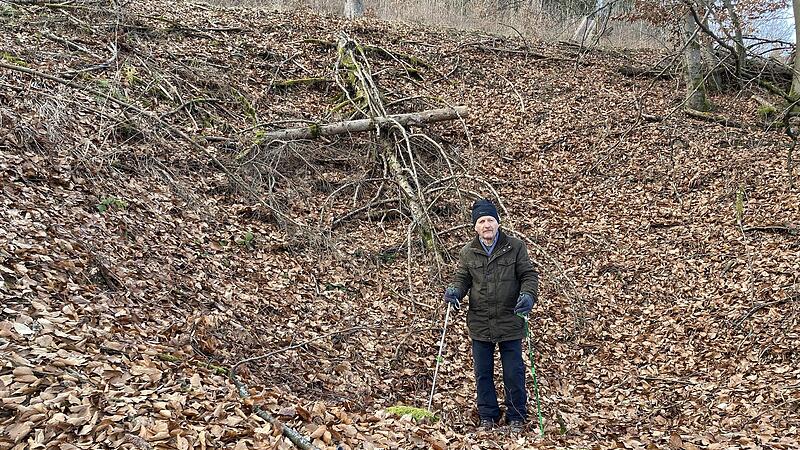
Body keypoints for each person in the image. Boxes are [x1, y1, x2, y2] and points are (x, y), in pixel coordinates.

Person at [443, 198, 539, 433]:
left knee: (513, 371)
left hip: (511, 318)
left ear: (498, 223)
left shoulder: (515, 246)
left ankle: (516, 416)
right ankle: (488, 415)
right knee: (482, 373)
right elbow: (462, 279)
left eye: (491, 220)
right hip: (480, 320)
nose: (487, 225)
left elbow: (529, 275)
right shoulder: (468, 252)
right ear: (475, 227)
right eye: (482, 221)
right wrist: (455, 291)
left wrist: (528, 295)